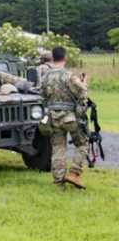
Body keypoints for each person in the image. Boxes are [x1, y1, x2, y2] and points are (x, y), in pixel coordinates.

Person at [40, 46, 89, 190]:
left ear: (52, 58)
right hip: (70, 118)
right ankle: (74, 172)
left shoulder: (46, 77)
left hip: (53, 118)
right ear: (65, 58)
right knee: (83, 143)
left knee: (58, 149)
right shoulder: (69, 76)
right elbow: (82, 93)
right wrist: (84, 83)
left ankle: (59, 184)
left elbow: (42, 95)